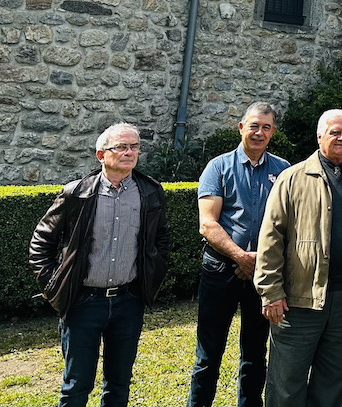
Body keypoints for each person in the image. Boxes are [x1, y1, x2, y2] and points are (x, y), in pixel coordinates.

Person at [29, 123, 171, 407]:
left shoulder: (150, 192)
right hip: (82, 303)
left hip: (128, 302)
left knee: (118, 384)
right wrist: (54, 286)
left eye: (134, 147)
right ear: (101, 154)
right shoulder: (77, 193)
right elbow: (41, 242)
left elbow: (162, 240)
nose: (129, 152)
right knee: (76, 386)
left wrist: (153, 275)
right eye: (121, 147)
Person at [255, 109, 342, 407]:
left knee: (332, 379)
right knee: (287, 381)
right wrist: (270, 292)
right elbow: (271, 237)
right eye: (334, 132)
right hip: (299, 299)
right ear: (319, 135)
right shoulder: (293, 178)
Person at [187, 101, 290, 407]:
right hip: (220, 271)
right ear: (241, 127)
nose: (259, 132)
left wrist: (258, 262)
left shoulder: (283, 170)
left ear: (273, 132)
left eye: (266, 127)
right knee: (208, 353)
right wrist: (240, 257)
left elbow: (289, 223)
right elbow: (208, 224)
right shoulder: (218, 167)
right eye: (254, 126)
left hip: (264, 275)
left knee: (255, 354)